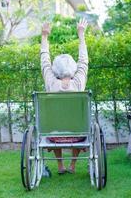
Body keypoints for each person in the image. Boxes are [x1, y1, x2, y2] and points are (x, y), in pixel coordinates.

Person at [40, 18, 89, 174]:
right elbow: (84, 60)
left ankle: (60, 166)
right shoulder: (79, 83)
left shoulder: (51, 83)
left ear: (55, 70)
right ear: (73, 68)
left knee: (56, 127)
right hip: (78, 135)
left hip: (54, 135)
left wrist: (44, 36)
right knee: (75, 124)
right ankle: (72, 166)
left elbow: (44, 61)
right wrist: (81, 34)